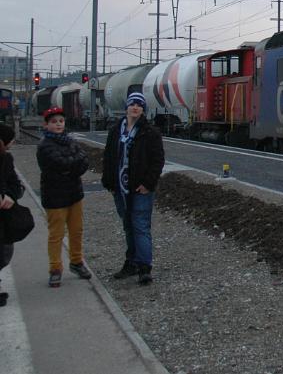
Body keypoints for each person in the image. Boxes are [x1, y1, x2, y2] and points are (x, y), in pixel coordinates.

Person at [102, 92, 164, 285]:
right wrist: (109, 182)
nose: (135, 107)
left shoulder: (150, 132)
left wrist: (148, 184)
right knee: (128, 226)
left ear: (143, 109)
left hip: (140, 188)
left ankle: (145, 268)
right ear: (127, 107)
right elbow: (109, 156)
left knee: (140, 226)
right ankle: (131, 263)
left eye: (139, 105)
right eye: (132, 104)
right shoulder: (115, 131)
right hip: (120, 187)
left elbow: (157, 160)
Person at [36, 106, 91, 288]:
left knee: (77, 231)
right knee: (56, 234)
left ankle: (76, 262)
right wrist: (72, 166)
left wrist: (70, 167)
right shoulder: (44, 146)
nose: (58, 124)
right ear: (47, 125)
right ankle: (55, 269)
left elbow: (84, 161)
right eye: (54, 122)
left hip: (74, 194)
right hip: (55, 196)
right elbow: (56, 164)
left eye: (60, 121)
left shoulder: (70, 141)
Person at [0, 123, 26, 306]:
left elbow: (16, 185)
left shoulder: (6, 159)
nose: (12, 143)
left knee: (5, 251)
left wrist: (11, 195)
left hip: (4, 213)